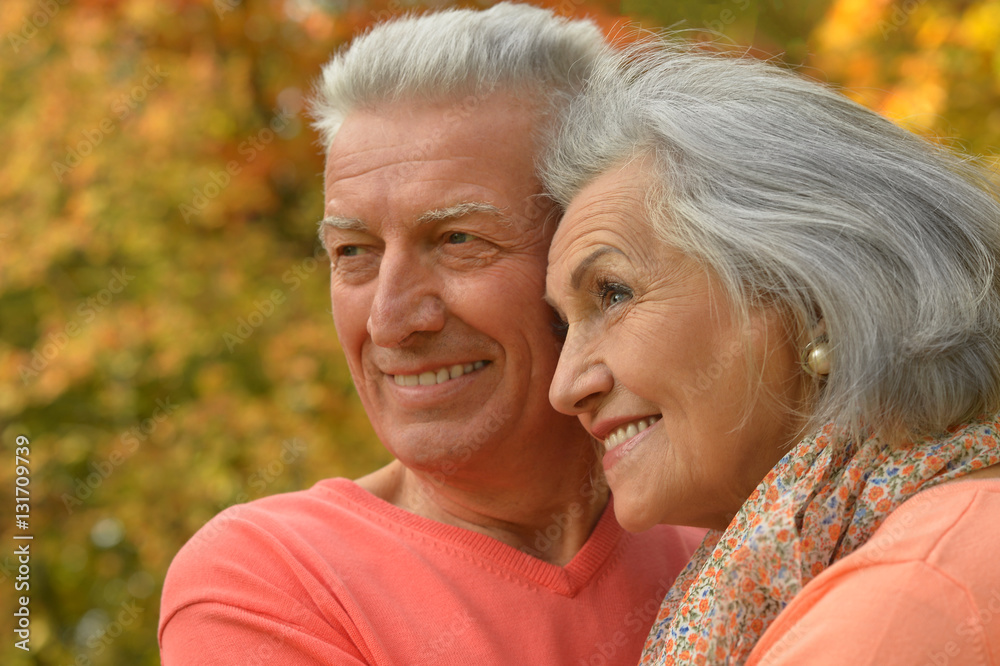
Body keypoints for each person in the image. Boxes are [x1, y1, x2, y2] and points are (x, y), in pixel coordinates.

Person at [158, 6, 704, 665]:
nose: (390, 320)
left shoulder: (747, 518)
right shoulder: (271, 578)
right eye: (354, 252)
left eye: (457, 240)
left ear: (594, 255)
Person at [542, 37, 1000, 666]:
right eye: (563, 327)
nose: (565, 388)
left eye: (613, 294)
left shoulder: (901, 605)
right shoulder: (898, 541)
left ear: (814, 296)